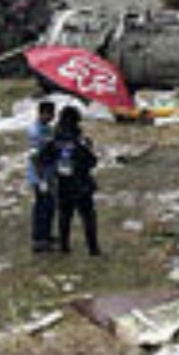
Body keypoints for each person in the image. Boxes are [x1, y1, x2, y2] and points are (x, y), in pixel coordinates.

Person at [49, 105, 100, 256]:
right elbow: (91, 162)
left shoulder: (55, 141)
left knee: (65, 216)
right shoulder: (79, 142)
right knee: (88, 217)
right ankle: (93, 248)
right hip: (81, 184)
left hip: (63, 184)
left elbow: (43, 158)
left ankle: (64, 246)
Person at [27, 99, 58, 252]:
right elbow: (34, 156)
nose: (51, 117)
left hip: (49, 173)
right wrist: (41, 179)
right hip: (40, 176)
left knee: (50, 206)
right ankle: (39, 240)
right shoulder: (36, 132)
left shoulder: (47, 129)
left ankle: (46, 234)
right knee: (42, 207)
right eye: (49, 114)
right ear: (42, 113)